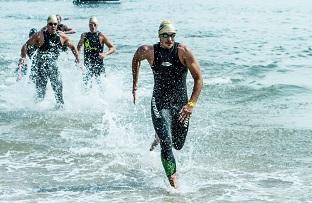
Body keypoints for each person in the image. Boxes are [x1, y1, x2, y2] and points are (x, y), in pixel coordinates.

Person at [131, 20, 203, 188]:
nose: (169, 39)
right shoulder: (148, 51)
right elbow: (135, 60)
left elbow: (199, 79)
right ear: (159, 36)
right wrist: (135, 84)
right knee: (167, 143)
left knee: (178, 144)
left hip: (181, 103)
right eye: (165, 35)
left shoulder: (183, 52)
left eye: (172, 35)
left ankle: (159, 134)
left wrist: (191, 104)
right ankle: (174, 186)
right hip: (159, 101)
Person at [19, 15, 80, 108]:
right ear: (47, 25)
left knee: (59, 93)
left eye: (55, 24)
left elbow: (73, 47)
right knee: (40, 95)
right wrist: (23, 57)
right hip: (41, 68)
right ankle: (33, 111)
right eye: (50, 24)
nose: (53, 26)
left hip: (53, 67)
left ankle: (60, 112)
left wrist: (78, 59)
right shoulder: (40, 35)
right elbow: (25, 45)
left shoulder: (62, 36)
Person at [77, 16, 116, 88]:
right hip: (87, 66)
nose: (93, 26)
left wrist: (105, 54)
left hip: (99, 65)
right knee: (86, 87)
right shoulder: (84, 36)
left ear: (97, 25)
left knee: (101, 87)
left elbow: (113, 48)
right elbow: (78, 48)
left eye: (94, 24)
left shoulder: (101, 36)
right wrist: (78, 60)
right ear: (88, 25)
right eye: (91, 24)